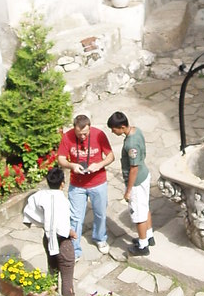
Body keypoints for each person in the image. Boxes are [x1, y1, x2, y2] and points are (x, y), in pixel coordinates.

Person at [57, 114, 114, 258]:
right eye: (79, 134)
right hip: (77, 184)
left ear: (90, 127)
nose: (82, 137)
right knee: (75, 217)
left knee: (100, 213)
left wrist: (99, 164)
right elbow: (61, 159)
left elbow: (111, 156)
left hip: (98, 181)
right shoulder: (67, 137)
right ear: (74, 129)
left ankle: (100, 238)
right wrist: (72, 165)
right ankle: (74, 249)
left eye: (85, 134)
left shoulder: (99, 135)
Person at [22, 166, 76, 296]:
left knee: (52, 267)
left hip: (47, 238)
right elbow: (60, 225)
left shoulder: (40, 195)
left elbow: (29, 208)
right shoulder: (62, 201)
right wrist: (70, 232)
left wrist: (38, 222)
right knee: (67, 268)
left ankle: (51, 294)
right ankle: (67, 295)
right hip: (62, 242)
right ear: (62, 183)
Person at [107, 111, 154, 256]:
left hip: (136, 182)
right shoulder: (136, 131)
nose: (112, 131)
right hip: (144, 176)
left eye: (113, 129)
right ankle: (149, 235)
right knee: (144, 207)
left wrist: (128, 190)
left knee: (138, 214)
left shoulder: (130, 144)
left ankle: (143, 245)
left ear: (121, 127)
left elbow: (134, 168)